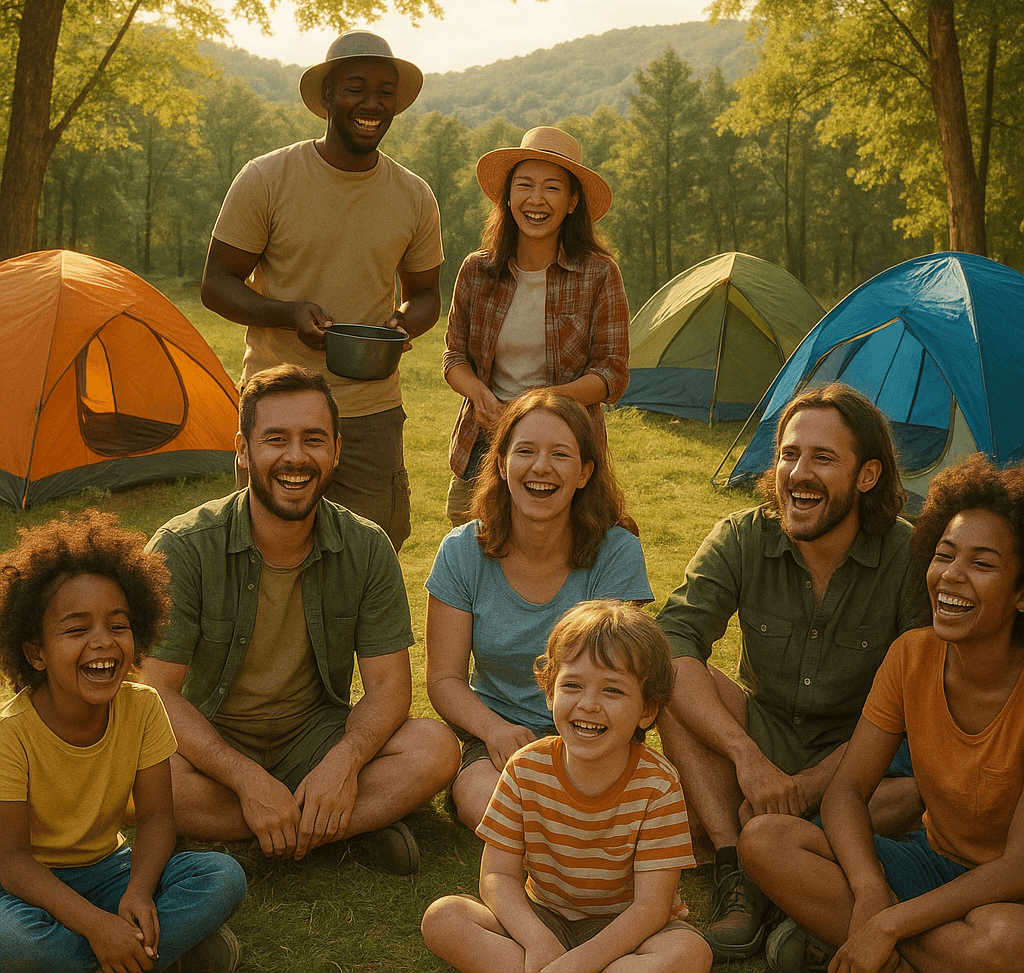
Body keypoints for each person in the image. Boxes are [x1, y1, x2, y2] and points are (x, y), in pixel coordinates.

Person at [141, 364, 459, 875]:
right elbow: (158, 695)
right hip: (212, 743)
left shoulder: (367, 546)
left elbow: (388, 687)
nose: (296, 457)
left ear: (336, 448)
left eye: (313, 439)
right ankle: (332, 828)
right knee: (132, 775)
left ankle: (263, 832)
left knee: (436, 749)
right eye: (275, 439)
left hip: (315, 738)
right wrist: (245, 778)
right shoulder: (182, 548)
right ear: (243, 449)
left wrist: (344, 763)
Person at [656, 383, 924, 961]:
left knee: (918, 792)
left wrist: (807, 788)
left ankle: (795, 881)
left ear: (868, 476)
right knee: (668, 683)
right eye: (789, 454)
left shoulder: (908, 556)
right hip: (767, 732)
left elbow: (915, 702)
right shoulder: (742, 536)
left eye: (823, 459)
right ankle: (740, 873)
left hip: (861, 758)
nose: (799, 474)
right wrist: (748, 759)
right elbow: (673, 639)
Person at [739, 454, 1024, 973]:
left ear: (1021, 592)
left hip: (1004, 894)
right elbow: (848, 791)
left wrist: (890, 923)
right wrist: (870, 892)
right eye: (944, 555)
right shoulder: (912, 654)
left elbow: (1017, 869)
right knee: (765, 839)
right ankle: (910, 953)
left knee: (1005, 942)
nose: (952, 577)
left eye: (982, 564)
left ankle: (873, 947)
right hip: (930, 863)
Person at [201, 30, 444, 550]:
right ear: (328, 95)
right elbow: (216, 284)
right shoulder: (267, 178)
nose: (372, 104)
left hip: (371, 409)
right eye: (356, 88)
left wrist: (404, 323)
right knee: (266, 550)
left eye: (386, 92)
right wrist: (289, 313)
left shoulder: (414, 195)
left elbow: (426, 295)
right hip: (278, 405)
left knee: (373, 547)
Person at [0, 510, 247, 973]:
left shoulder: (144, 705)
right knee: (15, 939)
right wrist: (95, 925)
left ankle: (121, 953)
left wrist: (137, 892)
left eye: (117, 625)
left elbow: (156, 817)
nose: (103, 642)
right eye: (76, 630)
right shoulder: (9, 734)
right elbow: (11, 861)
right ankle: (156, 954)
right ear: (35, 652)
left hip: (108, 871)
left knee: (222, 876)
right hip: (26, 886)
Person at [421, 600, 713, 973]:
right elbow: (497, 876)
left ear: (647, 710)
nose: (588, 704)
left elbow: (651, 908)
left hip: (627, 933)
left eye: (613, 691)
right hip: (542, 918)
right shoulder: (525, 768)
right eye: (572, 685)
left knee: (691, 952)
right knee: (444, 918)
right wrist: (539, 942)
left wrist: (579, 962)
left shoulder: (659, 785)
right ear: (549, 692)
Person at [425, 388, 652, 830]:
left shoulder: (618, 553)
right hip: (497, 738)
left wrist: (576, 745)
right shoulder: (460, 552)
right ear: (502, 463)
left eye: (561, 455)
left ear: (585, 473)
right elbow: (444, 680)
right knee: (480, 799)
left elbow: (622, 677)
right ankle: (560, 852)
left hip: (594, 731)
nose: (541, 467)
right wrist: (493, 730)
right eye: (525, 451)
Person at [442, 125, 629, 526]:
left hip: (568, 442)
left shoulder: (598, 273)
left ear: (573, 202)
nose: (536, 199)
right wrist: (478, 393)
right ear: (508, 197)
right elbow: (454, 355)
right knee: (471, 544)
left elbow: (612, 374)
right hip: (485, 437)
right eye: (524, 185)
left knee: (565, 552)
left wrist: (535, 406)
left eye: (553, 188)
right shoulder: (477, 271)